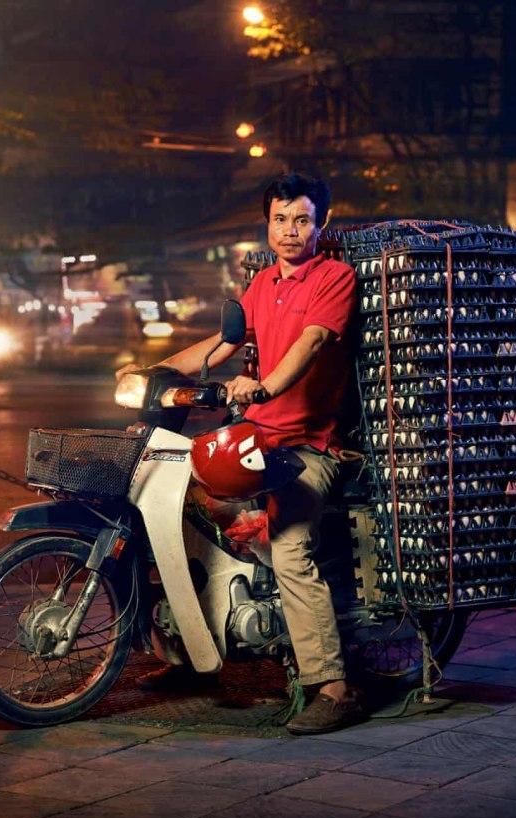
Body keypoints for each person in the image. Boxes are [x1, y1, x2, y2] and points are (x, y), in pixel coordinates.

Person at [115, 172, 362, 734]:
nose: (290, 230)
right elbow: (223, 343)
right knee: (183, 511)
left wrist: (267, 386)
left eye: (302, 219)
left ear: (320, 223)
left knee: (289, 546)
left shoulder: (334, 278)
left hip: (308, 445)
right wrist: (157, 369)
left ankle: (334, 686)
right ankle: (194, 658)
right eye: (280, 219)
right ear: (267, 223)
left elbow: (313, 342)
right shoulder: (263, 285)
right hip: (254, 435)